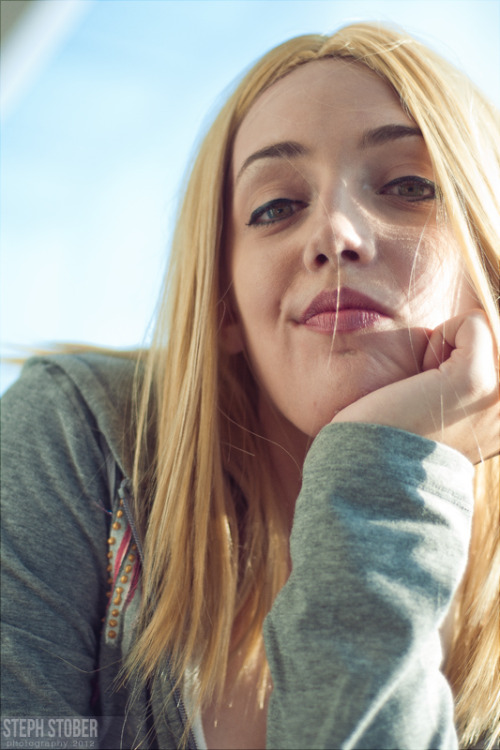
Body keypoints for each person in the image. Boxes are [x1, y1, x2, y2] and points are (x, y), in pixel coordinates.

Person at [1, 21, 499, 750]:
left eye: (406, 186)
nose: (335, 230)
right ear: (226, 308)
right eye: (276, 207)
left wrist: (385, 482)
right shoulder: (80, 435)